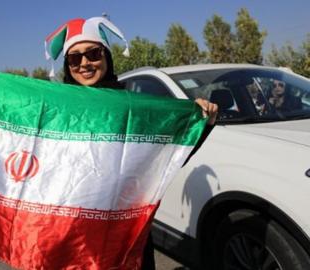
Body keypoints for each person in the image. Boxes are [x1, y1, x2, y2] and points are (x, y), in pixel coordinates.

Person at [45, 16, 218, 269]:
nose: (84, 63)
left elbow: (167, 157)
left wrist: (201, 124)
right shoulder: (58, 110)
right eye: (75, 58)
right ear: (67, 65)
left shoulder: (134, 107)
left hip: (127, 233)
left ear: (107, 57)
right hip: (75, 233)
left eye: (93, 54)